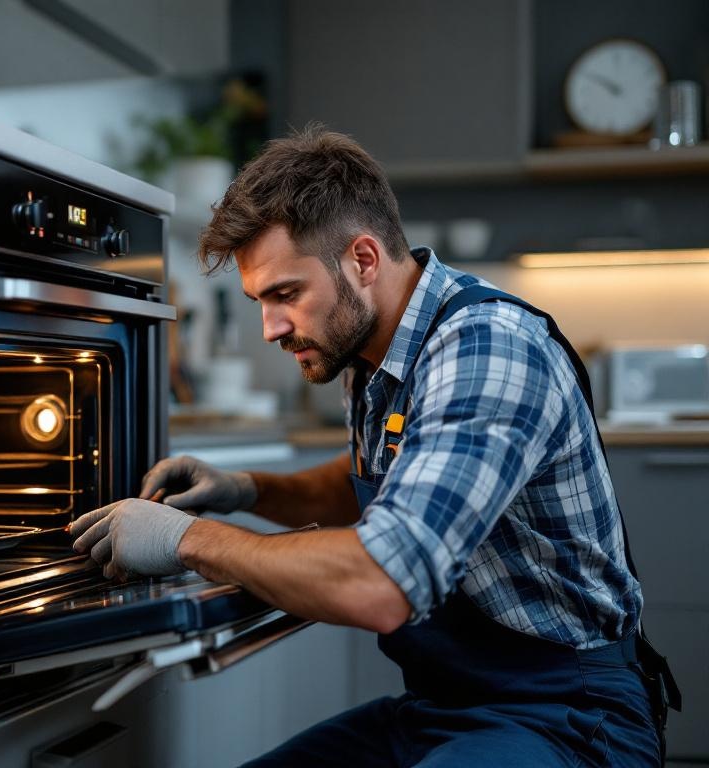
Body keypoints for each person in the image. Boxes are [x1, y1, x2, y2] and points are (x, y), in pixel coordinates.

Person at [70, 127, 677, 766]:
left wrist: (182, 539)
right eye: (259, 300)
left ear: (362, 260)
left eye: (285, 294)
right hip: (444, 708)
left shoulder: (485, 347)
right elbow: (383, 479)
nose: (271, 327)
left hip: (569, 717)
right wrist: (246, 488)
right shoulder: (365, 354)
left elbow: (383, 581)